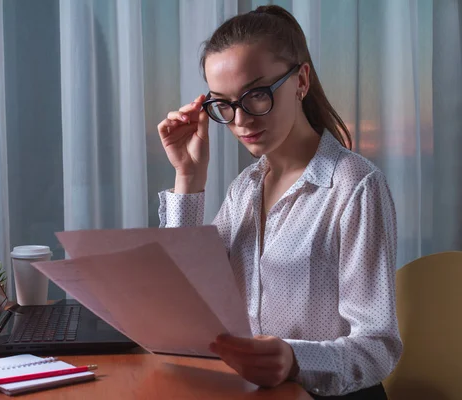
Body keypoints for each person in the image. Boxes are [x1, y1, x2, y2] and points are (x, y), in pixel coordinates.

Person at [156, 5, 402, 399]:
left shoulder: (355, 187)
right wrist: (188, 177)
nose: (241, 121)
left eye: (256, 95)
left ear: (300, 80)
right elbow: (183, 297)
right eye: (224, 104)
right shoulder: (245, 189)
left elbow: (378, 347)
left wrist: (294, 359)